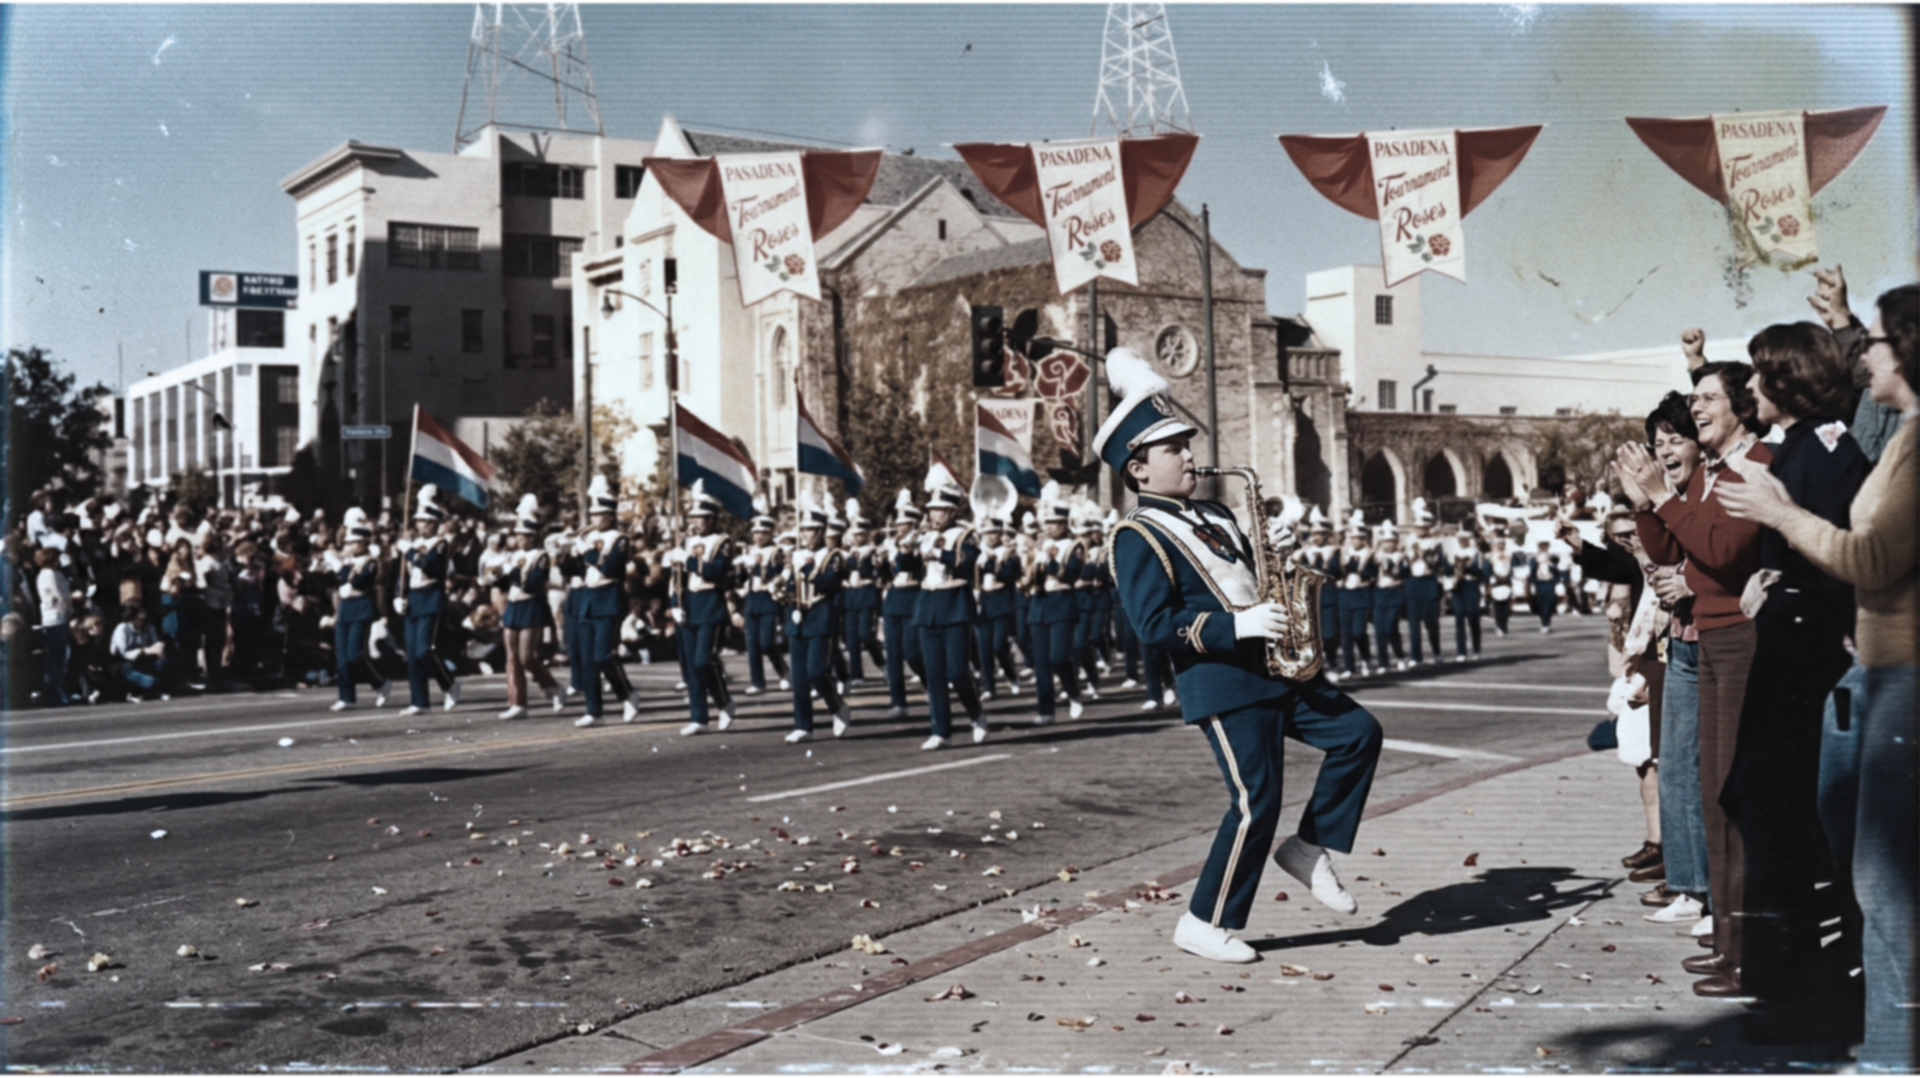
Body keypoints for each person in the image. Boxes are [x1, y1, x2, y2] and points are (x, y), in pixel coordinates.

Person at [1096, 347, 1382, 964]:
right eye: (1175, 449)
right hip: (1224, 680)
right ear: (1138, 469)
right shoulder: (1136, 535)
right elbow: (1153, 625)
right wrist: (1238, 626)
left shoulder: (1218, 514)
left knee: (1359, 732)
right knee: (1257, 801)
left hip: (1275, 666)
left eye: (1187, 444)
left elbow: (1244, 578)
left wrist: (1267, 553)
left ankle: (1308, 849)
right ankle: (1204, 919)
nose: (1191, 456)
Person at [1717, 284, 1916, 1071]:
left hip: (1831, 664)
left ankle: (1823, 1004)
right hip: (1820, 655)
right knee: (1783, 819)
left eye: (1759, 377)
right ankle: (1805, 995)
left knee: (1849, 860)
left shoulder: (1827, 448)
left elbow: (1858, 555)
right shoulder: (1808, 447)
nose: (1864, 356)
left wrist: (1783, 533)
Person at [1616, 354, 1772, 999]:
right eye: (1694, 396)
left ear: (1741, 405)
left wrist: (1658, 498)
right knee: (1711, 786)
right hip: (1708, 632)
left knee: (1729, 787)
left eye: (1709, 397)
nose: (1698, 406)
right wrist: (1647, 504)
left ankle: (1745, 943)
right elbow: (1675, 550)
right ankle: (1728, 934)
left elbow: (1722, 550)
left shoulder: (1754, 465)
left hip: (1735, 634)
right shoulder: (1714, 470)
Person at [914, 472, 986, 749]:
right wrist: (907, 550)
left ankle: (976, 714)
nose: (934, 516)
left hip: (955, 604)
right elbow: (905, 566)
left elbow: (966, 561)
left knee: (957, 671)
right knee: (934, 674)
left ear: (953, 511)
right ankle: (940, 730)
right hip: (928, 605)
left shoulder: (966, 534)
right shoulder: (925, 535)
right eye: (932, 511)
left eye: (940, 511)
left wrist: (936, 553)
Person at [665, 481, 737, 736]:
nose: (696, 523)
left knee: (702, 660)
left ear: (712, 518)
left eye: (701, 518)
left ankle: (724, 701)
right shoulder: (685, 541)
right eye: (693, 517)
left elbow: (716, 570)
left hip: (710, 604)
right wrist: (674, 604)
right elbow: (677, 578)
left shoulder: (722, 541)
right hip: (689, 604)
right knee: (690, 664)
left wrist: (688, 560)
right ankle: (699, 717)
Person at [781, 496, 853, 744]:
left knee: (816, 671)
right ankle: (803, 725)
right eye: (803, 529)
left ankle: (838, 706)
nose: (806, 534)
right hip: (799, 617)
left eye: (811, 529)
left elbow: (829, 583)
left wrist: (806, 569)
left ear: (822, 531)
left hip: (822, 616)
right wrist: (788, 595)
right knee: (799, 676)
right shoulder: (798, 555)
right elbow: (790, 587)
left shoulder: (833, 556)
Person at [396, 485, 462, 716]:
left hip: (431, 598)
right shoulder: (412, 543)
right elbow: (403, 575)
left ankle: (449, 684)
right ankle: (420, 701)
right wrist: (399, 596)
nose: (420, 524)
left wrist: (410, 552)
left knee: (425, 650)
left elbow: (430, 566)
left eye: (425, 521)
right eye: (419, 520)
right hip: (413, 598)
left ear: (434, 522)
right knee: (412, 654)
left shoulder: (440, 544)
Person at [499, 495, 563, 720]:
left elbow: (532, 584)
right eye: (518, 535)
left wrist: (514, 571)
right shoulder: (513, 555)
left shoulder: (541, 557)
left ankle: (552, 686)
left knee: (527, 657)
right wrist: (496, 577)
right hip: (513, 606)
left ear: (534, 535)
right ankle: (517, 703)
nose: (520, 539)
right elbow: (506, 584)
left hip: (531, 606)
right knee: (511, 657)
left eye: (525, 535)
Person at [1028, 484, 1086, 727]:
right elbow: (1030, 579)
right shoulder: (1040, 545)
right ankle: (1046, 710)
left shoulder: (1075, 546)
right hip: (1040, 603)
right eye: (1047, 522)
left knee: (1059, 657)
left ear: (1064, 524)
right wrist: (1035, 565)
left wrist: (1051, 561)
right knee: (1041, 662)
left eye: (1054, 522)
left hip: (1062, 603)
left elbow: (1070, 576)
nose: (1049, 527)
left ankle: (1072, 692)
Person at [328, 508, 391, 711]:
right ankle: (346, 697)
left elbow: (361, 580)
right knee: (341, 656)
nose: (350, 546)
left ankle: (379, 683)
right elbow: (336, 580)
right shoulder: (347, 561)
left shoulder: (370, 561)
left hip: (361, 607)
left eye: (354, 542)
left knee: (354, 654)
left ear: (364, 543)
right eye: (348, 542)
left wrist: (340, 566)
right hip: (345, 608)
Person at [879, 490, 926, 720]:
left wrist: (906, 551)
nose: (901, 528)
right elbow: (888, 575)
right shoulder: (890, 544)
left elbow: (913, 569)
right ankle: (898, 702)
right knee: (893, 655)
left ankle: (929, 680)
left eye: (906, 523)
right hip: (894, 599)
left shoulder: (921, 544)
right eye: (899, 524)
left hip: (913, 595)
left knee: (912, 651)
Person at [739, 500, 791, 696]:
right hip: (752, 598)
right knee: (752, 644)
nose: (758, 536)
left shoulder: (777, 552)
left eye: (763, 532)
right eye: (756, 532)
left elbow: (778, 573)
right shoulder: (748, 551)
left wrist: (758, 566)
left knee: (766, 643)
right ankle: (758, 682)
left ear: (770, 533)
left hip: (768, 599)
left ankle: (784, 671)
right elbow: (743, 578)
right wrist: (741, 570)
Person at [974, 513, 1023, 700]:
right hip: (984, 601)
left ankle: (1011, 674)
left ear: (1000, 532)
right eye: (986, 533)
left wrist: (993, 562)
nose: (989, 536)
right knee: (984, 647)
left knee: (998, 645)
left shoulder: (1009, 552)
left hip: (1002, 600)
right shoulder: (979, 552)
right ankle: (988, 687)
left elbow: (1010, 574)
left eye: (993, 532)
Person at [110, 600, 172, 699]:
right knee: (149, 681)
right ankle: (140, 690)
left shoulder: (149, 627)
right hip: (126, 665)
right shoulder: (122, 628)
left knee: (163, 661)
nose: (144, 612)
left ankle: (147, 689)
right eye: (140, 611)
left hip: (143, 662)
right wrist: (145, 651)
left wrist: (160, 646)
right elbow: (124, 653)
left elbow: (155, 645)